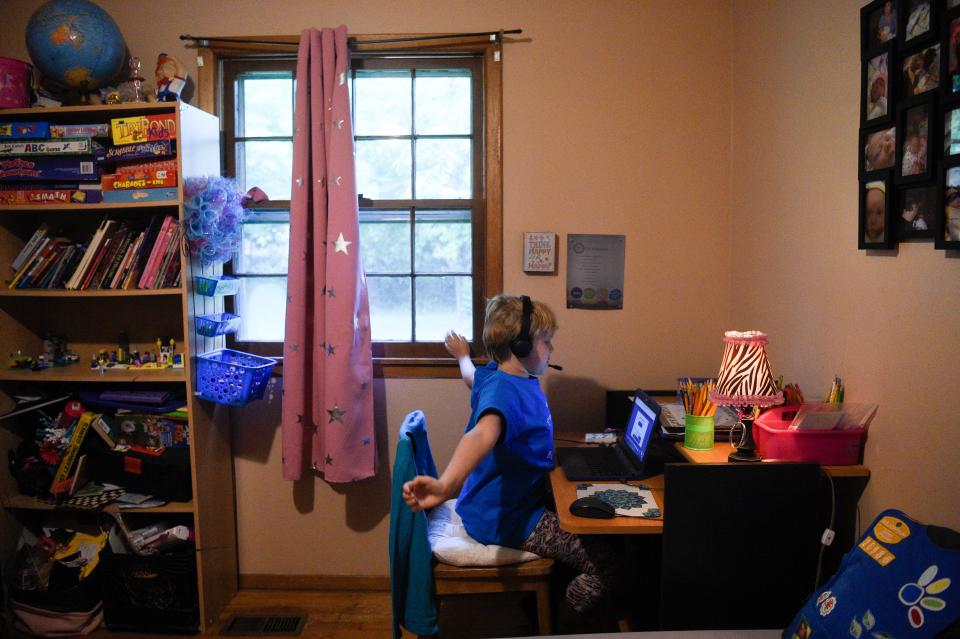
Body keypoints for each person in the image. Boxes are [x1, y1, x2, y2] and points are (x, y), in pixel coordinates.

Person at [406, 295, 626, 627]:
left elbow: (470, 378)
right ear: (521, 346)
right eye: (547, 341)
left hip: (492, 506)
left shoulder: (497, 376)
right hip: (508, 518)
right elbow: (481, 435)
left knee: (599, 533)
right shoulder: (504, 393)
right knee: (611, 567)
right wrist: (445, 484)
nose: (552, 350)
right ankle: (567, 620)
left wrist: (463, 355)